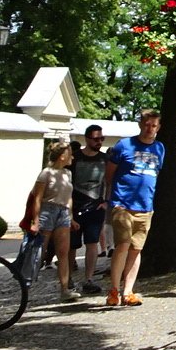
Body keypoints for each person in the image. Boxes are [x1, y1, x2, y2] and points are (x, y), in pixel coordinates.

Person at [103, 109, 164, 307]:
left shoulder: (160, 148)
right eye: (146, 125)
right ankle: (114, 290)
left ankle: (128, 291)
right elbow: (110, 174)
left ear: (158, 127)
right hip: (123, 205)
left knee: (136, 249)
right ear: (140, 124)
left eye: (153, 125)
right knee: (123, 244)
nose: (149, 129)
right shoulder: (124, 145)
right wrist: (113, 198)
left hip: (145, 207)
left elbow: (155, 174)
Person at [22, 142, 77, 301]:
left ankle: (65, 289)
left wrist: (71, 216)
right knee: (39, 252)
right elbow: (37, 198)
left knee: (63, 252)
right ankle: (25, 286)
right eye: (70, 153)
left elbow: (69, 197)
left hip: (63, 212)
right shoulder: (46, 173)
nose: (72, 157)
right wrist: (35, 220)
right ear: (62, 156)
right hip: (47, 211)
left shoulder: (67, 173)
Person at [69, 124, 109, 294]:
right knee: (72, 245)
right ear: (87, 139)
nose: (99, 142)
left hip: (96, 207)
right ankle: (68, 279)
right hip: (75, 207)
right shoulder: (75, 158)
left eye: (101, 138)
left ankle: (89, 279)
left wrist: (106, 201)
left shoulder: (105, 159)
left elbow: (110, 181)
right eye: (96, 139)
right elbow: (67, 182)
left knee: (92, 243)